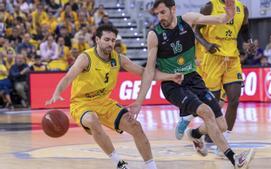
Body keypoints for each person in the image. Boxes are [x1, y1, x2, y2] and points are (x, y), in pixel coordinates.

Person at [128, 0, 255, 168]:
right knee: (206, 111)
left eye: (163, 12)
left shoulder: (187, 20)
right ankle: (234, 159)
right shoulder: (154, 34)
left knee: (222, 125)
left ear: (173, 9)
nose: (160, 17)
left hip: (193, 78)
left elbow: (218, 20)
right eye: (157, 14)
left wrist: (229, 14)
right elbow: (149, 71)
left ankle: (194, 133)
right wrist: (139, 102)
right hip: (172, 85)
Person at [46, 24, 183, 169]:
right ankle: (118, 163)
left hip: (104, 102)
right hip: (81, 103)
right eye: (106, 39)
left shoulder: (119, 59)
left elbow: (144, 72)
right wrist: (57, 93)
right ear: (97, 40)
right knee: (92, 120)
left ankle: (151, 167)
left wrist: (171, 76)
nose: (110, 43)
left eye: (113, 40)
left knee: (136, 127)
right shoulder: (86, 58)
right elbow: (68, 77)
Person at [175, 0, 255, 144]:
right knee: (213, 105)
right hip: (212, 59)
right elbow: (196, 30)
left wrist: (249, 41)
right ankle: (193, 126)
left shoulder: (242, 8)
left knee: (234, 100)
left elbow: (245, 29)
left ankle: (225, 139)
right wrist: (207, 44)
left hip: (232, 58)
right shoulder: (210, 6)